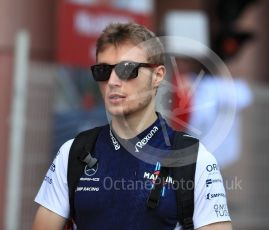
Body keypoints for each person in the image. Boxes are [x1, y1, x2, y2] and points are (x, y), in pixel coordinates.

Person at [33, 22, 233, 230]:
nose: (112, 81)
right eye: (103, 70)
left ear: (158, 76)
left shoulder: (194, 158)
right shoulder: (73, 152)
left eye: (127, 69)